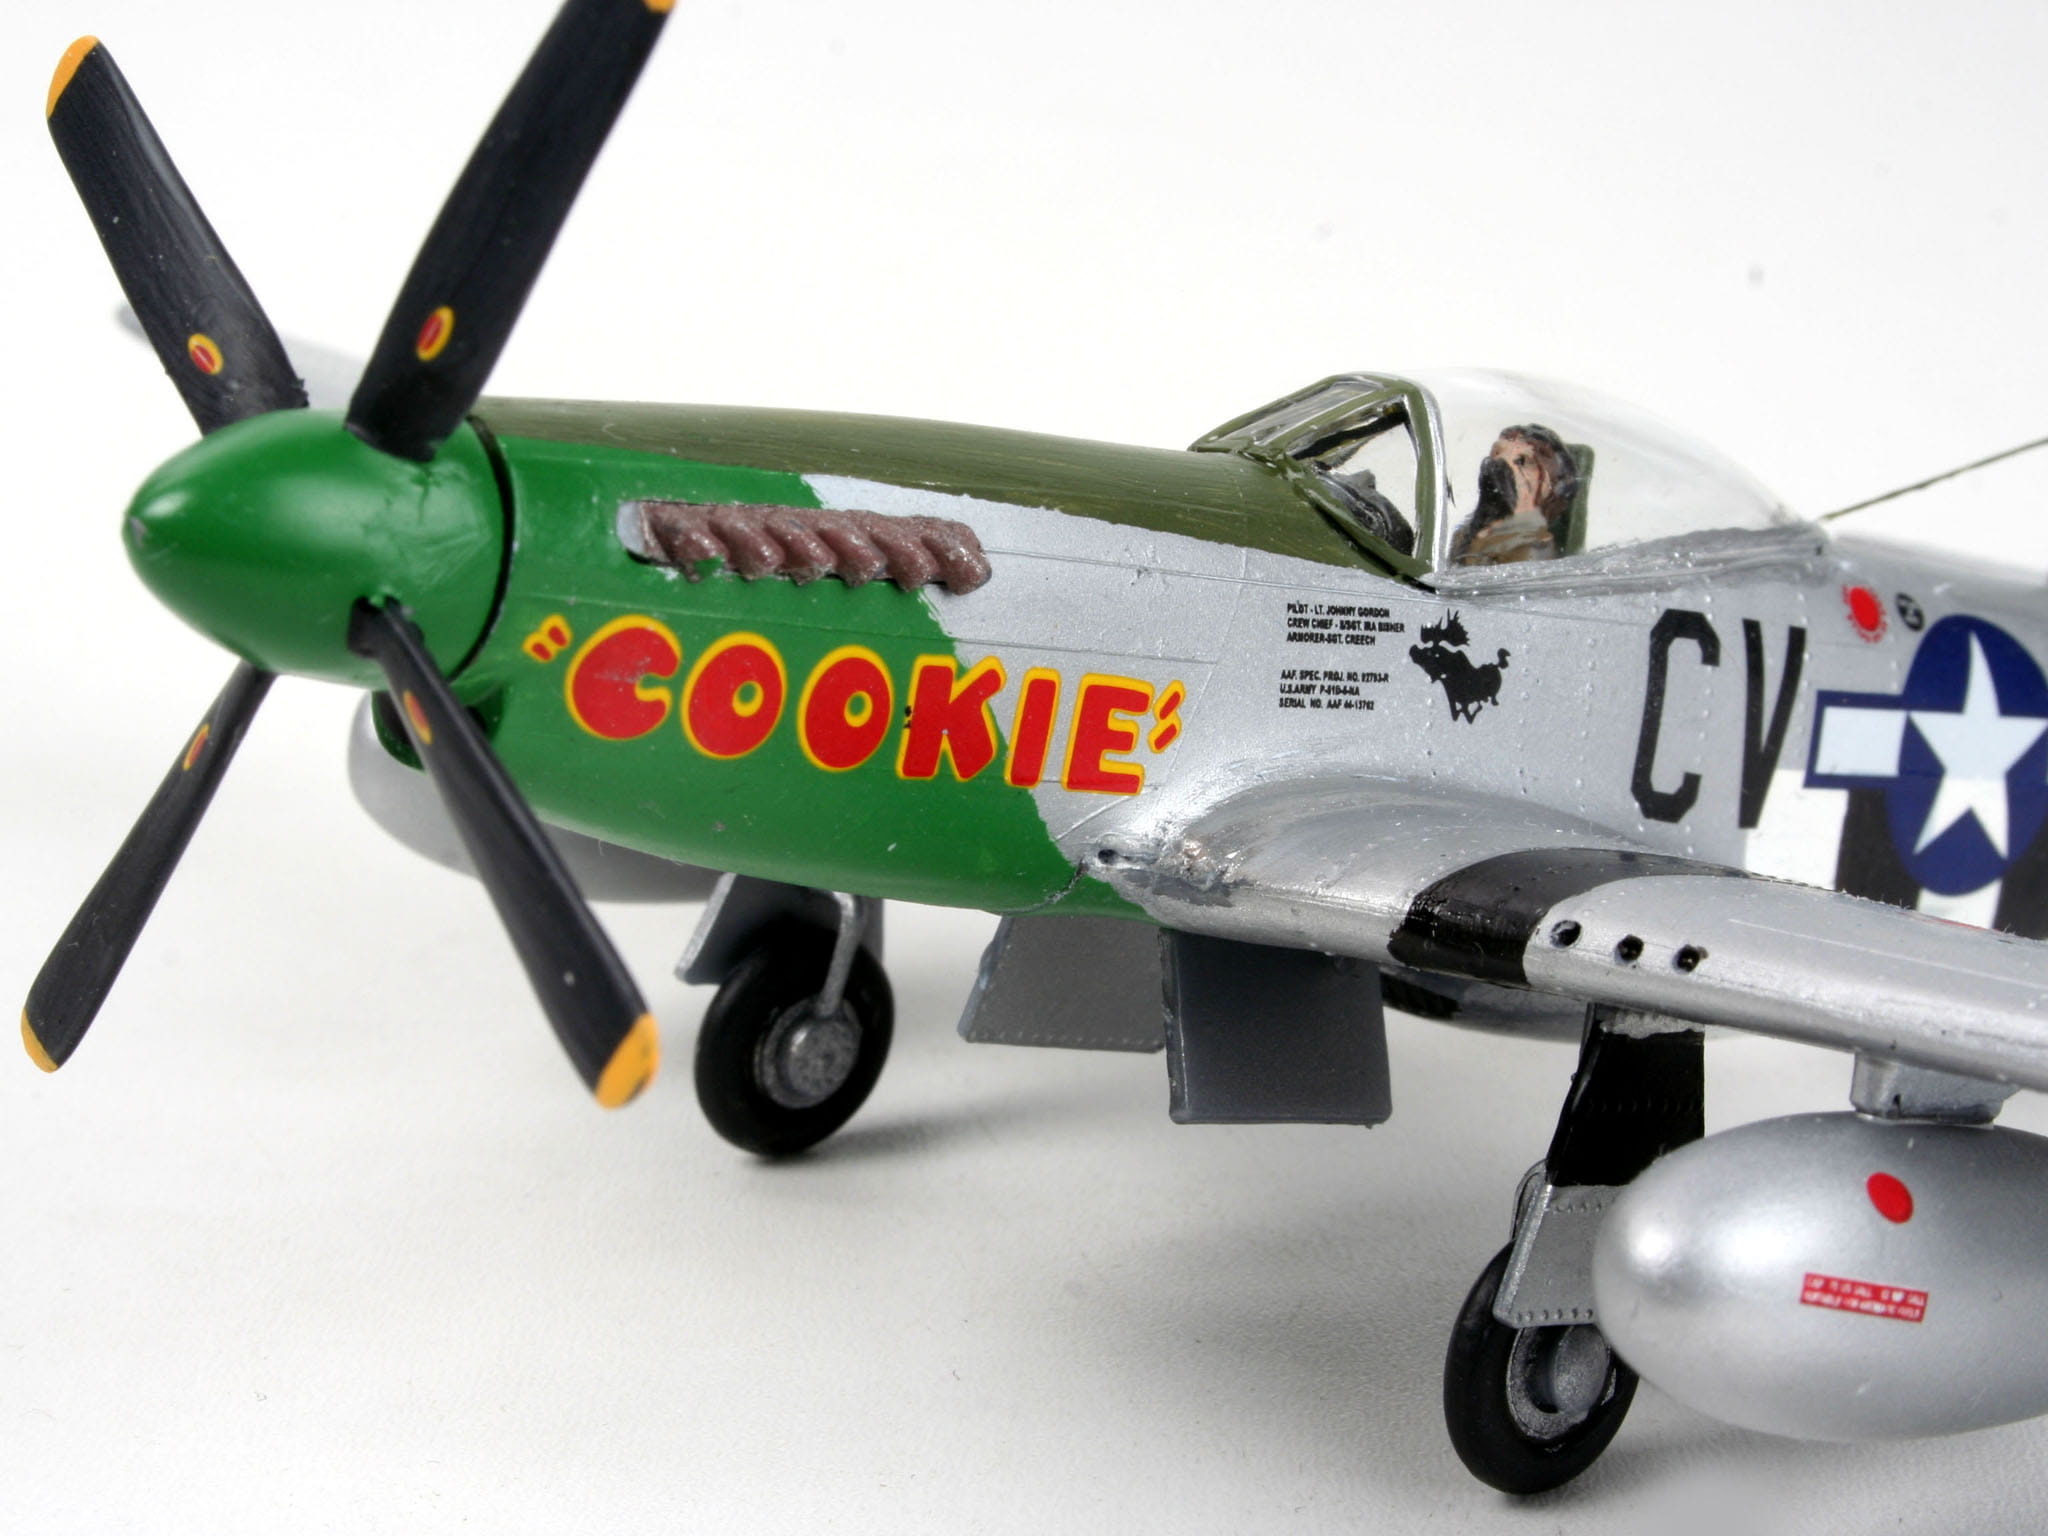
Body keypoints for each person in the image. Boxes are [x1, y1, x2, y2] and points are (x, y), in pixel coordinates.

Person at [1449, 424, 1579, 566]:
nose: (1502, 463)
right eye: (1497, 453)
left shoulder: (1534, 549)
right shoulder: (1465, 538)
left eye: (1522, 461)